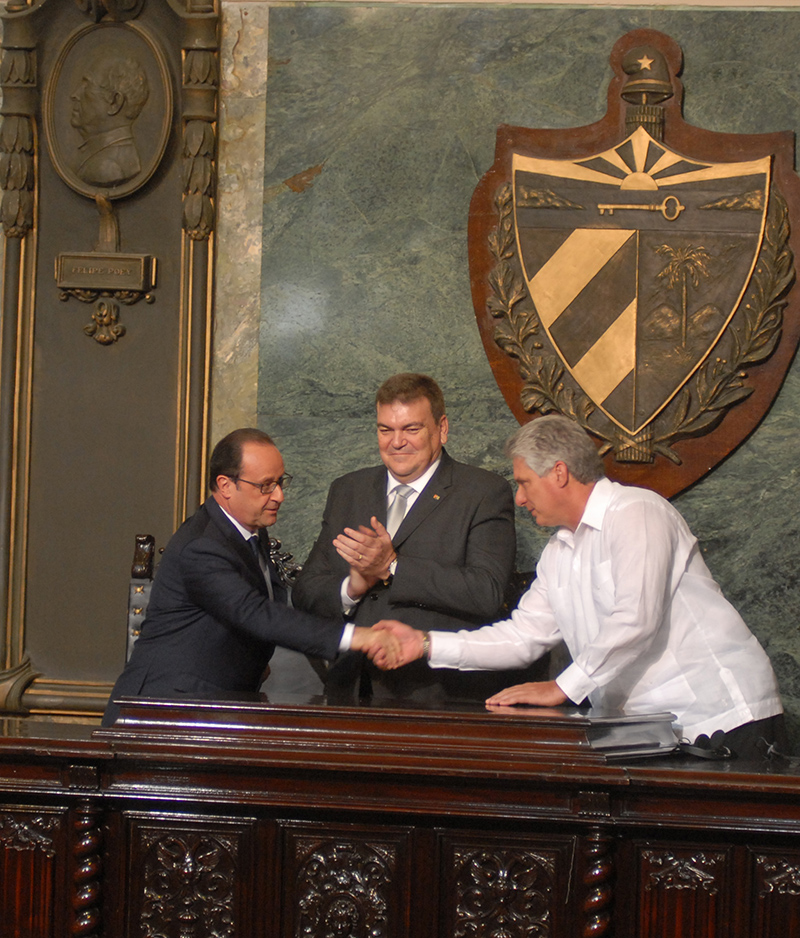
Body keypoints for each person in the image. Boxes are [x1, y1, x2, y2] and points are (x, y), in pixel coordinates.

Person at [373, 415, 785, 759]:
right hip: (648, 732)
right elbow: (523, 636)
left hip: (722, 720)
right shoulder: (558, 552)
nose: (518, 498)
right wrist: (426, 644)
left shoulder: (637, 512)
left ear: (559, 472)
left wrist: (562, 688)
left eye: (523, 483)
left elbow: (635, 620)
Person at [102, 429, 399, 725]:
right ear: (226, 485)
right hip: (161, 712)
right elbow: (256, 614)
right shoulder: (202, 547)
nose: (279, 496)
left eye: (281, 482)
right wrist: (359, 636)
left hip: (214, 706)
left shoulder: (249, 531)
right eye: (265, 486)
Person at [293, 373, 538, 702]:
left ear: (442, 429)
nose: (397, 442)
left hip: (436, 695)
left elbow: (486, 591)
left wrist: (393, 566)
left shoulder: (482, 492)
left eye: (411, 429)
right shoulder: (348, 490)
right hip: (351, 692)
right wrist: (352, 589)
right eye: (386, 430)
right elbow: (306, 591)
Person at [71, 54, 149, 188]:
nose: (75, 95)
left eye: (87, 86)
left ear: (115, 102)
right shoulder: (100, 156)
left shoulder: (108, 168)